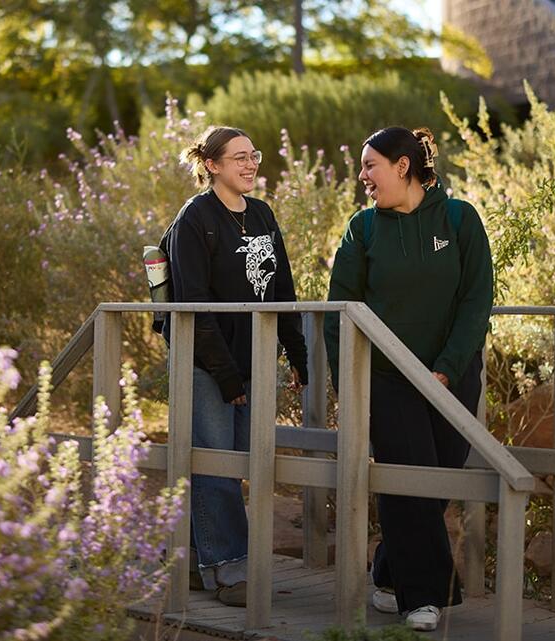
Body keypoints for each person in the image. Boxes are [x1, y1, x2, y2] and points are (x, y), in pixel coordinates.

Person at [323, 126, 493, 631]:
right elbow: (340, 312)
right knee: (408, 474)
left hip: (452, 373)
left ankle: (389, 571)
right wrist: (345, 383)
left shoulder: (460, 219)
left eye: (370, 165)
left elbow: (476, 298)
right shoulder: (363, 229)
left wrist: (448, 366)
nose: (363, 177)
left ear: (402, 166)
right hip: (387, 377)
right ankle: (426, 597)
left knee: (437, 474)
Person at [164, 125, 309, 607]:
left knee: (241, 457)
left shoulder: (262, 214)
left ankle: (188, 559)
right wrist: (226, 377)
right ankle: (228, 572)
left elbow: (281, 289)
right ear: (212, 164)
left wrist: (299, 355)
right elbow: (194, 305)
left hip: (255, 361)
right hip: (208, 366)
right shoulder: (195, 219)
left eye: (255, 156)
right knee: (217, 462)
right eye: (240, 157)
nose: (251, 165)